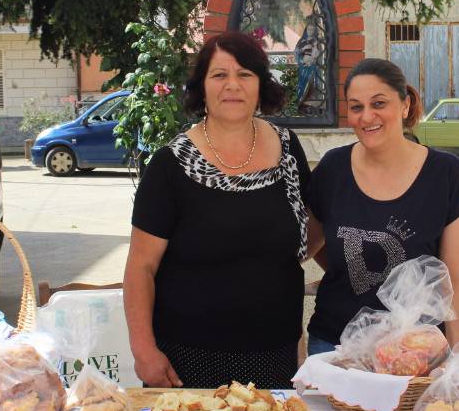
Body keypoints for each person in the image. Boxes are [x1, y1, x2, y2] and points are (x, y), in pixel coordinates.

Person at [124, 31, 315, 389]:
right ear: (201, 87)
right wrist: (143, 350)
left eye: (245, 74)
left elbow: (308, 230)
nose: (233, 85)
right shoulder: (171, 165)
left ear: (261, 85)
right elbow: (140, 268)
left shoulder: (288, 149)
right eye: (219, 75)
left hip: (275, 355)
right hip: (187, 360)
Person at [306, 58, 459, 356]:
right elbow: (308, 244)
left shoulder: (446, 174)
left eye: (379, 103)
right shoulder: (333, 168)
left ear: (405, 105)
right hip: (335, 346)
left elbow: (456, 279)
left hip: (416, 352)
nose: (366, 116)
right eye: (356, 107)